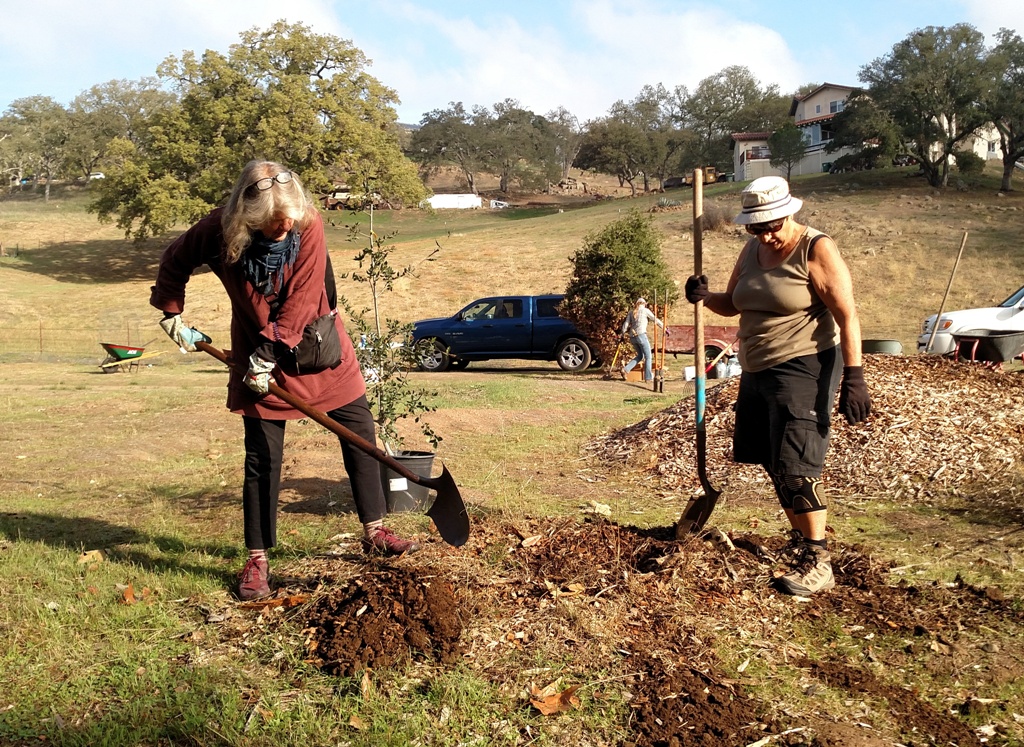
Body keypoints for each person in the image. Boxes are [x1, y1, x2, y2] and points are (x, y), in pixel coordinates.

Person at [151, 160, 420, 602]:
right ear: (247, 219)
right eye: (275, 222)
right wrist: (171, 314)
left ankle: (374, 531)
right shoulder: (218, 231)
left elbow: (300, 303)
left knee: (360, 433)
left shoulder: (307, 227)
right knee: (262, 459)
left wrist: (266, 358)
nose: (286, 226)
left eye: (290, 218)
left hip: (320, 349)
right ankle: (257, 559)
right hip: (256, 355)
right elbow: (175, 260)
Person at [684, 175, 870, 597]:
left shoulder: (815, 248)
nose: (765, 234)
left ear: (790, 212)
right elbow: (733, 303)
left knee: (797, 465)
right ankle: (804, 540)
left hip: (804, 367)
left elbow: (848, 316)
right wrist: (704, 295)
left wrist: (855, 376)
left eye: (771, 225)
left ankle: (818, 561)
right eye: (755, 227)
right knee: (774, 462)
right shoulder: (752, 248)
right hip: (757, 370)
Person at [620, 297, 670, 381]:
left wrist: (622, 334)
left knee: (640, 356)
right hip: (641, 335)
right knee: (648, 356)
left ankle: (625, 369)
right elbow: (655, 319)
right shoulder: (645, 311)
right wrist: (664, 328)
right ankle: (648, 377)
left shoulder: (631, 312)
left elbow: (626, 324)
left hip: (632, 337)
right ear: (644, 304)